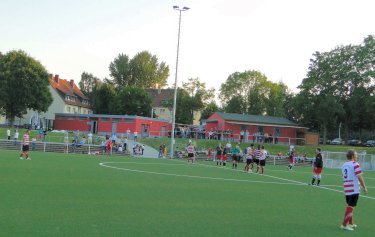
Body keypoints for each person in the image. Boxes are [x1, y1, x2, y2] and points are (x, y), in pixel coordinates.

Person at [340, 150, 368, 231]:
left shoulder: (344, 165)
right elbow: (359, 176)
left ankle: (351, 223)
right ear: (352, 156)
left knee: (350, 205)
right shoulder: (355, 164)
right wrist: (364, 187)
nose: (357, 156)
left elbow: (343, 176)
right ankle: (344, 224)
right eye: (356, 155)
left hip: (346, 188)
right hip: (354, 188)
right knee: (351, 206)